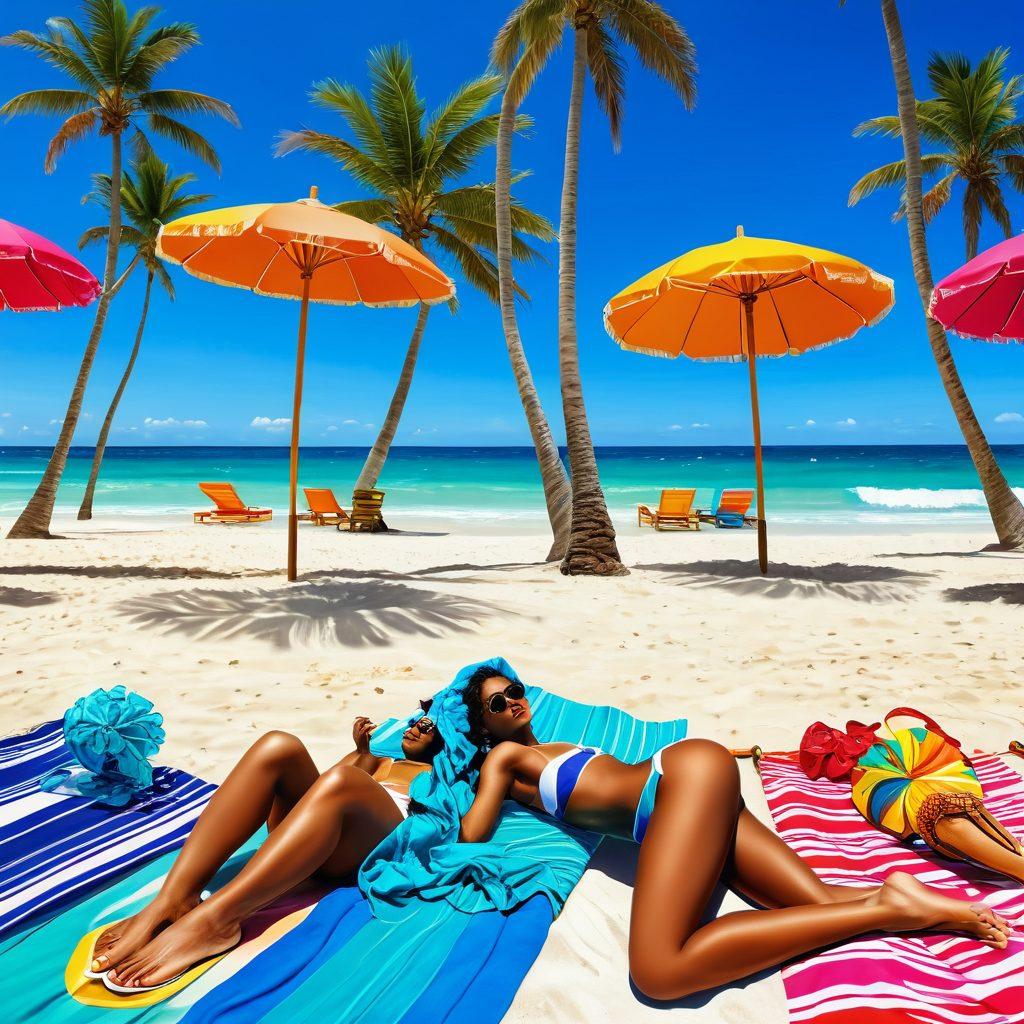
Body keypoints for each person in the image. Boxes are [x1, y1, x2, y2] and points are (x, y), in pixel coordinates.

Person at [457, 668, 1012, 1002]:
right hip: (694, 788)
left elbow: (472, 835)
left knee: (658, 971)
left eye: (516, 691)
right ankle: (906, 901)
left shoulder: (518, 753)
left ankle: (884, 907)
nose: (514, 702)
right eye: (497, 704)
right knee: (804, 902)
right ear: (483, 727)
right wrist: (431, 757)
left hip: (679, 786)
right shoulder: (502, 759)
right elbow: (473, 824)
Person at [93, 709, 441, 990]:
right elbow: (323, 787)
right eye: (416, 720)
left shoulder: (449, 775)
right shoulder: (378, 761)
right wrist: (362, 756)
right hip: (317, 830)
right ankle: (176, 897)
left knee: (345, 784)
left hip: (368, 845)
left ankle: (217, 921)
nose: (415, 727)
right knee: (279, 745)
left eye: (429, 725)